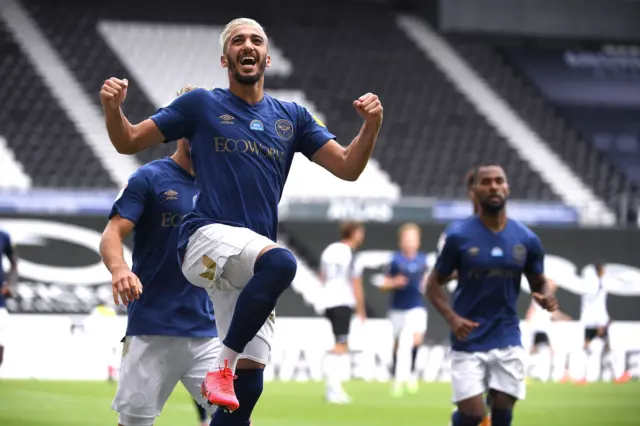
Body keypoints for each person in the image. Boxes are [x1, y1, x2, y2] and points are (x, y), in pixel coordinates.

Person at [99, 17, 383, 418]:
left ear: (267, 58)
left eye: (255, 40)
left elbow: (349, 167)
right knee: (283, 262)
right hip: (205, 240)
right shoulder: (201, 104)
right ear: (224, 58)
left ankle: (228, 368)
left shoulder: (293, 117)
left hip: (250, 260)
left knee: (246, 394)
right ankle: (222, 365)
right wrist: (113, 108)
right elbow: (126, 139)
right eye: (237, 40)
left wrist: (371, 126)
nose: (246, 45)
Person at [100, 84, 222, 426]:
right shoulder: (149, 178)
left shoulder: (224, 186)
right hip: (152, 329)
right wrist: (120, 268)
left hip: (208, 333)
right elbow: (112, 234)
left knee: (235, 420)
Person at [427, 164, 558, 426]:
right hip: (468, 339)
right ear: (474, 190)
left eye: (500, 181)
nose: (494, 186)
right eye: (486, 182)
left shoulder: (527, 239)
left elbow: (539, 282)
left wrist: (546, 295)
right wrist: (452, 319)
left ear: (508, 187)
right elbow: (432, 284)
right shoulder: (457, 236)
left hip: (507, 336)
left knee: (502, 414)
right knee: (473, 416)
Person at [319, 221, 366, 404]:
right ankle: (333, 389)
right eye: (360, 232)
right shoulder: (352, 253)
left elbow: (322, 276)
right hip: (342, 300)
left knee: (339, 343)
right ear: (354, 233)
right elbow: (355, 281)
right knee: (341, 345)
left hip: (328, 300)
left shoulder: (329, 250)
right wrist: (361, 309)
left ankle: (333, 387)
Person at [380, 223, 428, 397]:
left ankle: (412, 374)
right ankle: (396, 378)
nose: (409, 242)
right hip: (398, 308)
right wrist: (394, 282)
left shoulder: (423, 260)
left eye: (413, 239)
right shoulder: (395, 261)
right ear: (401, 241)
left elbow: (428, 282)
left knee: (416, 339)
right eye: (407, 239)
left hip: (416, 306)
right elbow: (384, 284)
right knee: (398, 343)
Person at [575, 263, 631, 384]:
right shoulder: (599, 285)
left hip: (589, 322)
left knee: (587, 349)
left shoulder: (588, 285)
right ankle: (617, 375)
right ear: (600, 271)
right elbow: (598, 305)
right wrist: (604, 322)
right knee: (609, 349)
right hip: (598, 322)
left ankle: (582, 377)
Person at [0, 229, 18, 371]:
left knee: (1, 341)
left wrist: (10, 284)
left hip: (0, 302)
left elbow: (14, 262)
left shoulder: (4, 236)